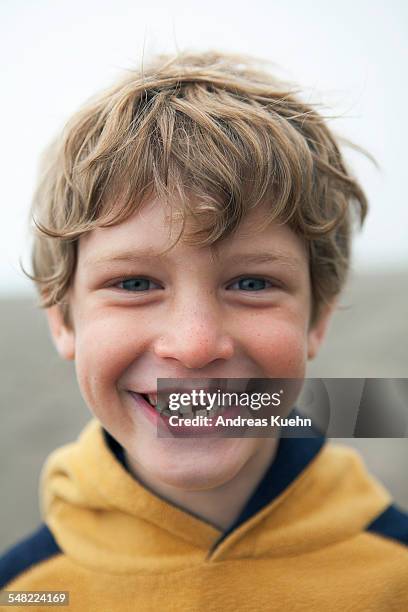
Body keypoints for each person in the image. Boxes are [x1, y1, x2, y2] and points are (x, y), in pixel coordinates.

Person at [0, 51, 406, 611]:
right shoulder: (24, 592)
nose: (193, 346)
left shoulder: (396, 572)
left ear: (319, 319)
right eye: (136, 284)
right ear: (62, 319)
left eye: (253, 284)